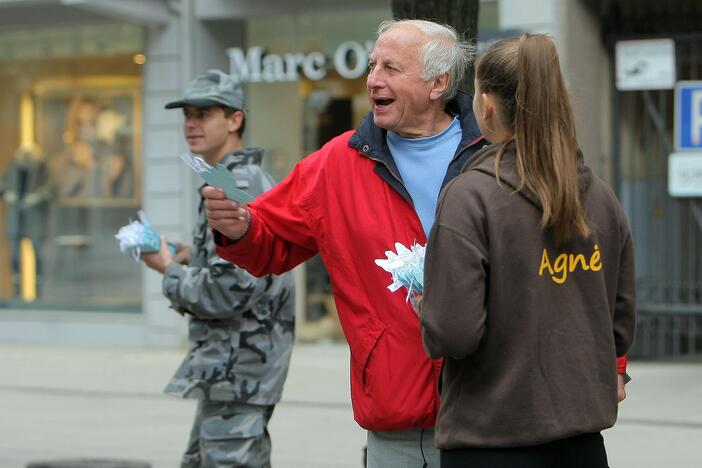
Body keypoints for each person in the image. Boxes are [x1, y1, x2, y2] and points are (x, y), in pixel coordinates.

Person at [203, 19, 484, 467]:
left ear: (439, 83)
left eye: (391, 68)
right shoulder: (337, 163)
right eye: (372, 65)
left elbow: (567, 261)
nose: (373, 80)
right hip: (397, 423)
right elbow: (269, 238)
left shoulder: (497, 152)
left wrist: (612, 362)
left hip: (494, 414)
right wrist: (237, 228)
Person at [419, 34, 636, 468]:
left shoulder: (472, 196)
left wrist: (427, 304)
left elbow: (454, 333)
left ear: (488, 105)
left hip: (490, 440)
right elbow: (619, 319)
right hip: (583, 445)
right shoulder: (601, 197)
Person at [140, 69, 295, 468]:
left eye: (204, 113)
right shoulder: (233, 178)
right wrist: (194, 255)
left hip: (238, 368)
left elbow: (228, 292)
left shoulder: (234, 184)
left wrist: (167, 268)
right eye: (187, 114)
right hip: (232, 369)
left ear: (234, 119)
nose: (191, 124)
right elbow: (241, 267)